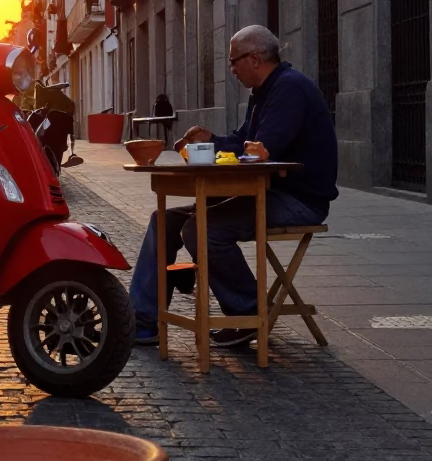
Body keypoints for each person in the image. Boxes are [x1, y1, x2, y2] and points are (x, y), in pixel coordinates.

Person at [129, 25, 338, 348]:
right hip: (265, 192)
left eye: (233, 61)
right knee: (165, 220)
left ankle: (248, 312)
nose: (231, 69)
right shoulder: (263, 93)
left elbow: (264, 149)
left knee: (202, 228)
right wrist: (210, 141)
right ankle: (143, 321)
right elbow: (242, 142)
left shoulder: (290, 88)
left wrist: (221, 150)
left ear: (254, 59)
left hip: (298, 198)